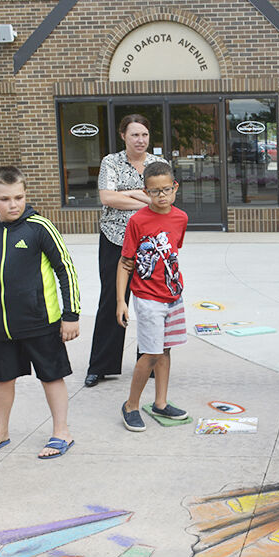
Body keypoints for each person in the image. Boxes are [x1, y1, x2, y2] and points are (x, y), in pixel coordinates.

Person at [0, 166, 81, 459]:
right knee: (2, 378)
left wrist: (71, 314)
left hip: (41, 321)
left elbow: (65, 269)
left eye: (18, 197)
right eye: (5, 199)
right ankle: (0, 431)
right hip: (2, 325)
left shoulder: (39, 227)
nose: (13, 204)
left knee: (51, 376)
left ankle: (61, 432)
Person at [85, 114, 168, 388]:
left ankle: (150, 361)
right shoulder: (111, 162)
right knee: (112, 300)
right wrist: (143, 197)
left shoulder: (160, 164)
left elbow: (163, 201)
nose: (140, 140)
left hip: (150, 244)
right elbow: (107, 197)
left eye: (144, 134)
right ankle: (101, 365)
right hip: (115, 241)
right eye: (134, 134)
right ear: (123, 136)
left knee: (149, 304)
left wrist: (129, 194)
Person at [117, 162, 189, 431]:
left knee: (165, 350)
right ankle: (131, 405)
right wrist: (120, 301)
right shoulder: (137, 221)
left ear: (175, 188)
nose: (161, 196)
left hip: (173, 295)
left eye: (166, 190)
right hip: (147, 298)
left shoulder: (181, 218)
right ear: (146, 192)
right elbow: (125, 263)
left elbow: (172, 253)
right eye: (155, 191)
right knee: (150, 353)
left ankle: (160, 402)